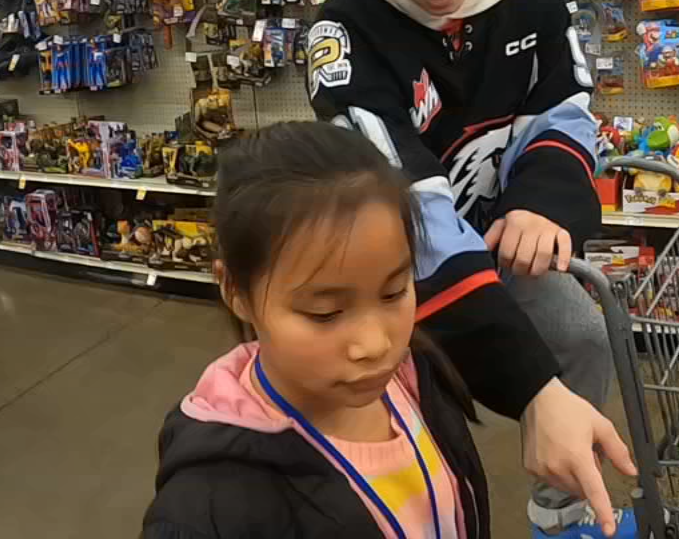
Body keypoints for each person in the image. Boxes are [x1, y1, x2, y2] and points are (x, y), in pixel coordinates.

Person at [305, 0, 634, 537]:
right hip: (390, 265)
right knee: (421, 407)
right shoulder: (343, 35)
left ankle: (563, 512)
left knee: (582, 331)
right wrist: (533, 390)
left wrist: (542, 203)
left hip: (492, 229)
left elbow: (565, 108)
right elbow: (410, 210)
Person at [144, 121, 512, 537]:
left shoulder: (415, 376)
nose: (376, 345)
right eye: (325, 313)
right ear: (236, 291)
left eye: (393, 293)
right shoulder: (208, 511)